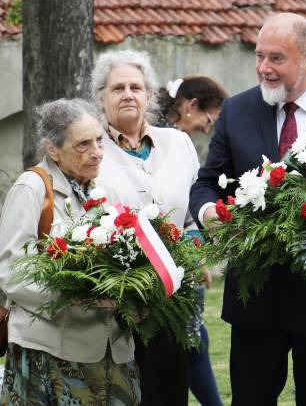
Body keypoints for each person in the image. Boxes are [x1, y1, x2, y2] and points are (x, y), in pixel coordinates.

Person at [189, 12, 306, 406]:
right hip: (256, 294)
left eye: (276, 58)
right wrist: (210, 214)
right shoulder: (238, 109)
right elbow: (207, 183)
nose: (264, 68)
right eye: (259, 56)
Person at [0, 98, 141, 404]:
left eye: (99, 141)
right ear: (53, 149)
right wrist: (77, 295)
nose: (97, 152)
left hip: (111, 350)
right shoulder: (32, 188)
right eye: (83, 145)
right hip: (52, 352)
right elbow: (12, 273)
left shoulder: (101, 190)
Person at [92, 49, 201, 406]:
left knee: (169, 388)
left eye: (136, 87)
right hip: (115, 302)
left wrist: (197, 243)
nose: (128, 94)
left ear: (149, 96)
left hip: (172, 297)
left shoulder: (178, 143)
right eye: (117, 88)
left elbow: (190, 213)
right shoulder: (91, 150)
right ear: (101, 97)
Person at [159, 75, 226, 406]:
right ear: (190, 106)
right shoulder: (167, 142)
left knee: (194, 335)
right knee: (192, 338)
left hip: (185, 253)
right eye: (207, 119)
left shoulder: (179, 142)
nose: (206, 128)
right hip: (165, 259)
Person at [158, 76, 228, 135]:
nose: (206, 130)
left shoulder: (157, 129)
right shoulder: (163, 138)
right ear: (192, 105)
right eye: (209, 121)